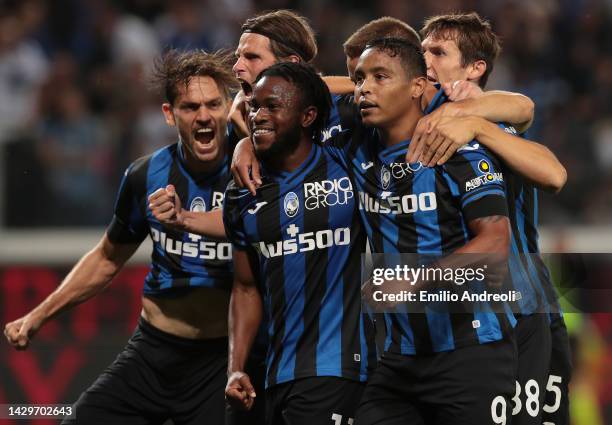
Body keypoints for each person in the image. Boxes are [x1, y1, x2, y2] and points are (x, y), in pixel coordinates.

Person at [4, 49, 238, 425]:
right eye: (190, 107)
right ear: (169, 114)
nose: (204, 116)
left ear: (230, 107)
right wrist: (38, 315)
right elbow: (107, 258)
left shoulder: (253, 173)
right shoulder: (146, 176)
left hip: (221, 361)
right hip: (152, 353)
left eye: (213, 104)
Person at [326, 37, 518, 425]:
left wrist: (412, 281)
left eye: (381, 77)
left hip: (471, 350)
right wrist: (244, 141)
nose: (365, 89)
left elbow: (495, 244)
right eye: (360, 79)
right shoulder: (355, 148)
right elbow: (295, 93)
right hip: (400, 358)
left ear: (418, 87)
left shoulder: (456, 149)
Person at [406, 13, 570, 425]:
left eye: (438, 51)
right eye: (422, 49)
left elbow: (554, 175)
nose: (424, 58)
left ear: (475, 68)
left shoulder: (494, 120)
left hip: (522, 311)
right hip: (458, 319)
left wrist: (476, 121)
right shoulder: (411, 119)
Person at [223, 62, 376, 425]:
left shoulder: (346, 161)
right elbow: (245, 289)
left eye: (273, 106)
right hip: (275, 376)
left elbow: (385, 91)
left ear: (308, 116)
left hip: (338, 369)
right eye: (255, 106)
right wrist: (235, 367)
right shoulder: (241, 193)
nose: (258, 116)